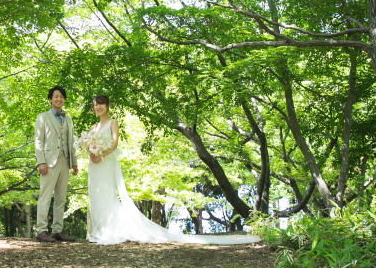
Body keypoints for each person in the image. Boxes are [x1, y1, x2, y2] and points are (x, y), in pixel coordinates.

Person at [84, 95, 261, 245]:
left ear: (107, 105)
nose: (98, 107)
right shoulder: (93, 127)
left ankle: (110, 231)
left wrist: (101, 154)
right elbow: (88, 145)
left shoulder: (113, 122)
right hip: (94, 165)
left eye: (101, 104)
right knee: (96, 195)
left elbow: (114, 144)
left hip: (106, 162)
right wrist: (91, 153)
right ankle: (99, 230)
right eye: (95, 105)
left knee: (107, 194)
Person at [34, 86, 79, 242]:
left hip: (65, 160)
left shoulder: (68, 120)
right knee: (45, 196)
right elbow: (38, 140)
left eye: (61, 96)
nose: (58, 99)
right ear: (50, 99)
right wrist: (41, 161)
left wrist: (74, 163)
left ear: (64, 99)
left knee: (61, 198)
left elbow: (71, 142)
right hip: (48, 162)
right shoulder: (42, 117)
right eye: (55, 96)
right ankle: (41, 230)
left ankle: (57, 230)